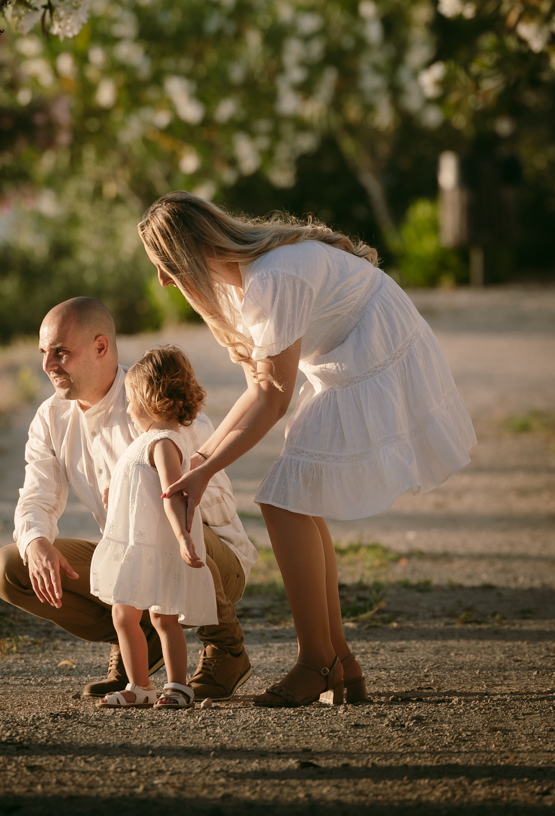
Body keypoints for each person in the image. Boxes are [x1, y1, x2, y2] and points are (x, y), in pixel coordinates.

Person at [138, 192, 476, 708]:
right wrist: (200, 460)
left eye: (164, 264)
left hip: (372, 351)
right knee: (295, 496)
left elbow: (273, 400)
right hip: (344, 357)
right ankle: (338, 661)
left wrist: (204, 471)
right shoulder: (239, 284)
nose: (163, 279)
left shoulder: (273, 277)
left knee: (284, 498)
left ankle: (317, 660)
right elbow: (257, 389)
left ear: (189, 251)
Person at [0, 297, 257, 701]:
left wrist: (139, 491)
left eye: (60, 352)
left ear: (100, 346)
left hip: (209, 556)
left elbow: (195, 500)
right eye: (43, 353)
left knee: (176, 514)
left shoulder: (154, 400)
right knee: (10, 567)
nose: (47, 365)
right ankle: (139, 644)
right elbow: (35, 495)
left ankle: (226, 647)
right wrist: (36, 541)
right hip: (137, 557)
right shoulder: (50, 417)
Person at [90, 346, 217, 708]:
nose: (128, 409)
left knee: (163, 617)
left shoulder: (163, 443)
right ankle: (140, 685)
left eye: (130, 400)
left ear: (149, 400)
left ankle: (177, 686)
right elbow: (141, 483)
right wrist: (116, 489)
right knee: (123, 613)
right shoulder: (148, 442)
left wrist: (183, 537)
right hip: (138, 546)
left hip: (158, 547)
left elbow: (172, 494)